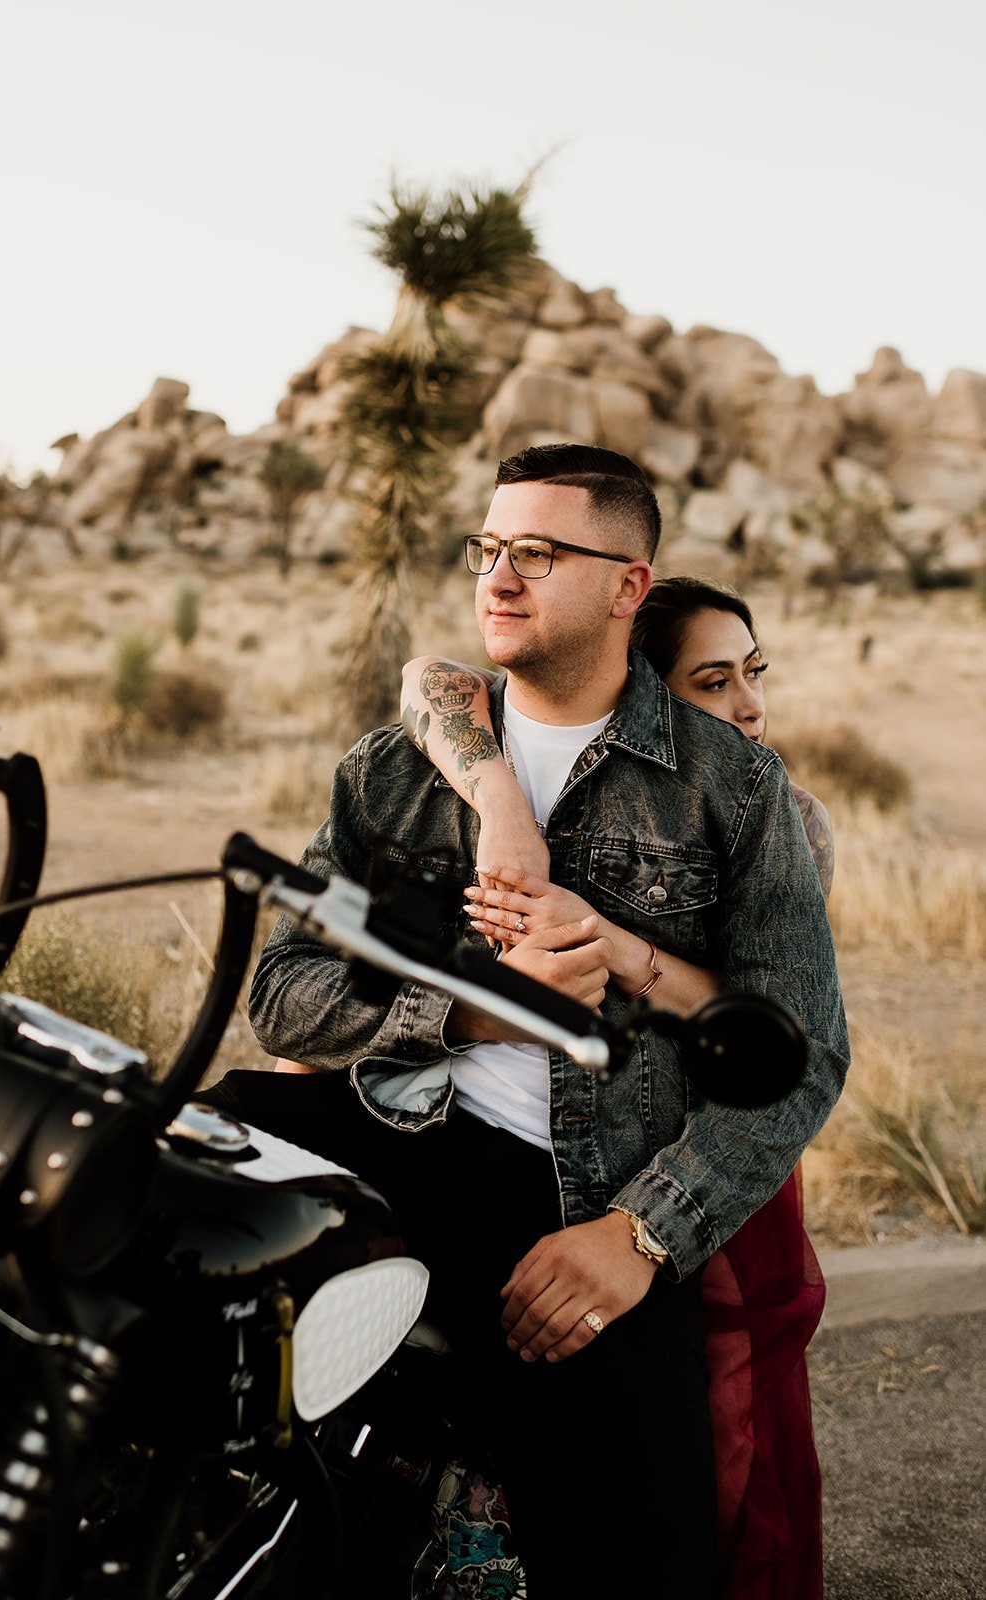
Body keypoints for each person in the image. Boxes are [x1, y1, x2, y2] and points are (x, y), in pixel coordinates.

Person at [216, 443, 848, 1599]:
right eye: (489, 549)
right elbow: (279, 994)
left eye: (539, 554)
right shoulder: (395, 770)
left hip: (575, 1198)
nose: (498, 578)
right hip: (379, 1136)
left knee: (638, 1560)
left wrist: (643, 1236)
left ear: (626, 587)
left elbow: (799, 1057)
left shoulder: (733, 792)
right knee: (160, 1167)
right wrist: (464, 1015)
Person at [400, 574, 834, 1598]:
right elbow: (429, 678)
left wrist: (615, 950)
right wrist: (499, 800)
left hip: (702, 1153)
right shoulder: (544, 780)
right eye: (713, 680)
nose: (749, 705)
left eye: (751, 675)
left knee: (723, 1447)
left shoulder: (781, 816)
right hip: (533, 1144)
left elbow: (775, 1031)